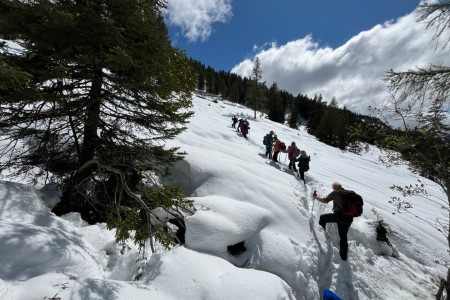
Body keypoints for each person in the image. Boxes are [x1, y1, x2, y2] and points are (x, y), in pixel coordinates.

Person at [313, 182, 353, 261]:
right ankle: (343, 258)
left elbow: (325, 200)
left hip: (340, 216)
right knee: (343, 237)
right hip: (349, 219)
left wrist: (315, 197)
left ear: (334, 187)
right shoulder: (347, 193)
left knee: (322, 218)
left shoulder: (335, 192)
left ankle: (322, 236)